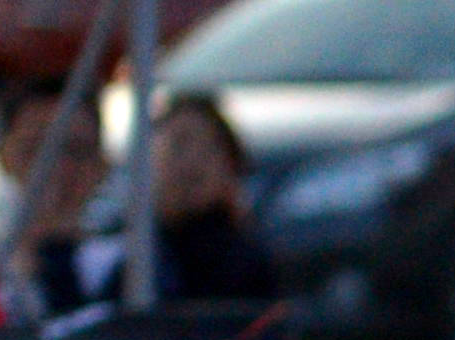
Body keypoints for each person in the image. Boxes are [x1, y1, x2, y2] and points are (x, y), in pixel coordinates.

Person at [27, 87, 280, 315]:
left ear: (232, 168)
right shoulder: (134, 254)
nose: (192, 161)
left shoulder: (244, 261)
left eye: (210, 148)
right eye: (178, 145)